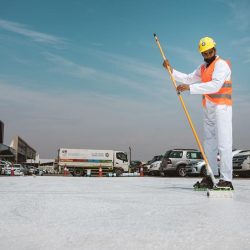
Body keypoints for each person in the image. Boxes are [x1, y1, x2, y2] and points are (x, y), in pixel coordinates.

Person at [163, 37, 233, 190]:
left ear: (215, 49)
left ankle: (226, 180)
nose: (208, 54)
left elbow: (215, 86)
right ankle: (211, 175)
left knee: (224, 144)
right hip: (209, 110)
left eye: (210, 51)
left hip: (222, 108)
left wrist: (190, 88)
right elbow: (188, 78)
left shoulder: (221, 65)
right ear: (202, 54)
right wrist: (171, 70)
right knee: (209, 145)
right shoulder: (202, 68)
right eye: (204, 53)